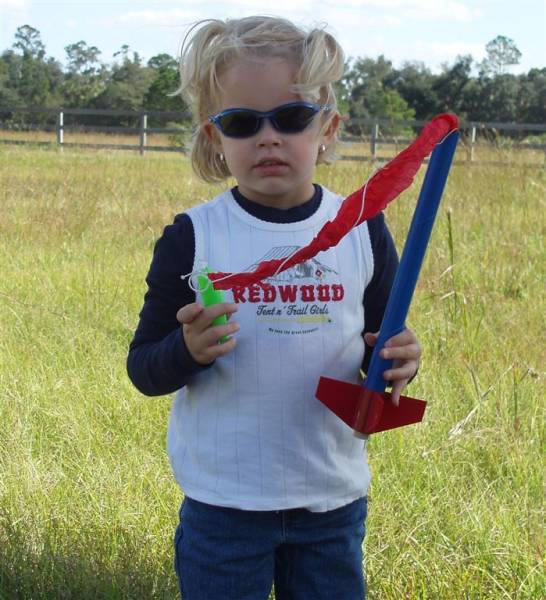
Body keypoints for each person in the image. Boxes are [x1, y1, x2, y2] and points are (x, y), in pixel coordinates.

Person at [127, 15, 421, 600]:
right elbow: (144, 368)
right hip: (224, 506)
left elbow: (381, 352)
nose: (268, 138)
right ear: (215, 137)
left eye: (290, 118)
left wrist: (400, 361)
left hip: (330, 500)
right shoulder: (194, 237)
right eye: (241, 122)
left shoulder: (361, 229)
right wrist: (186, 350)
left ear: (327, 127)